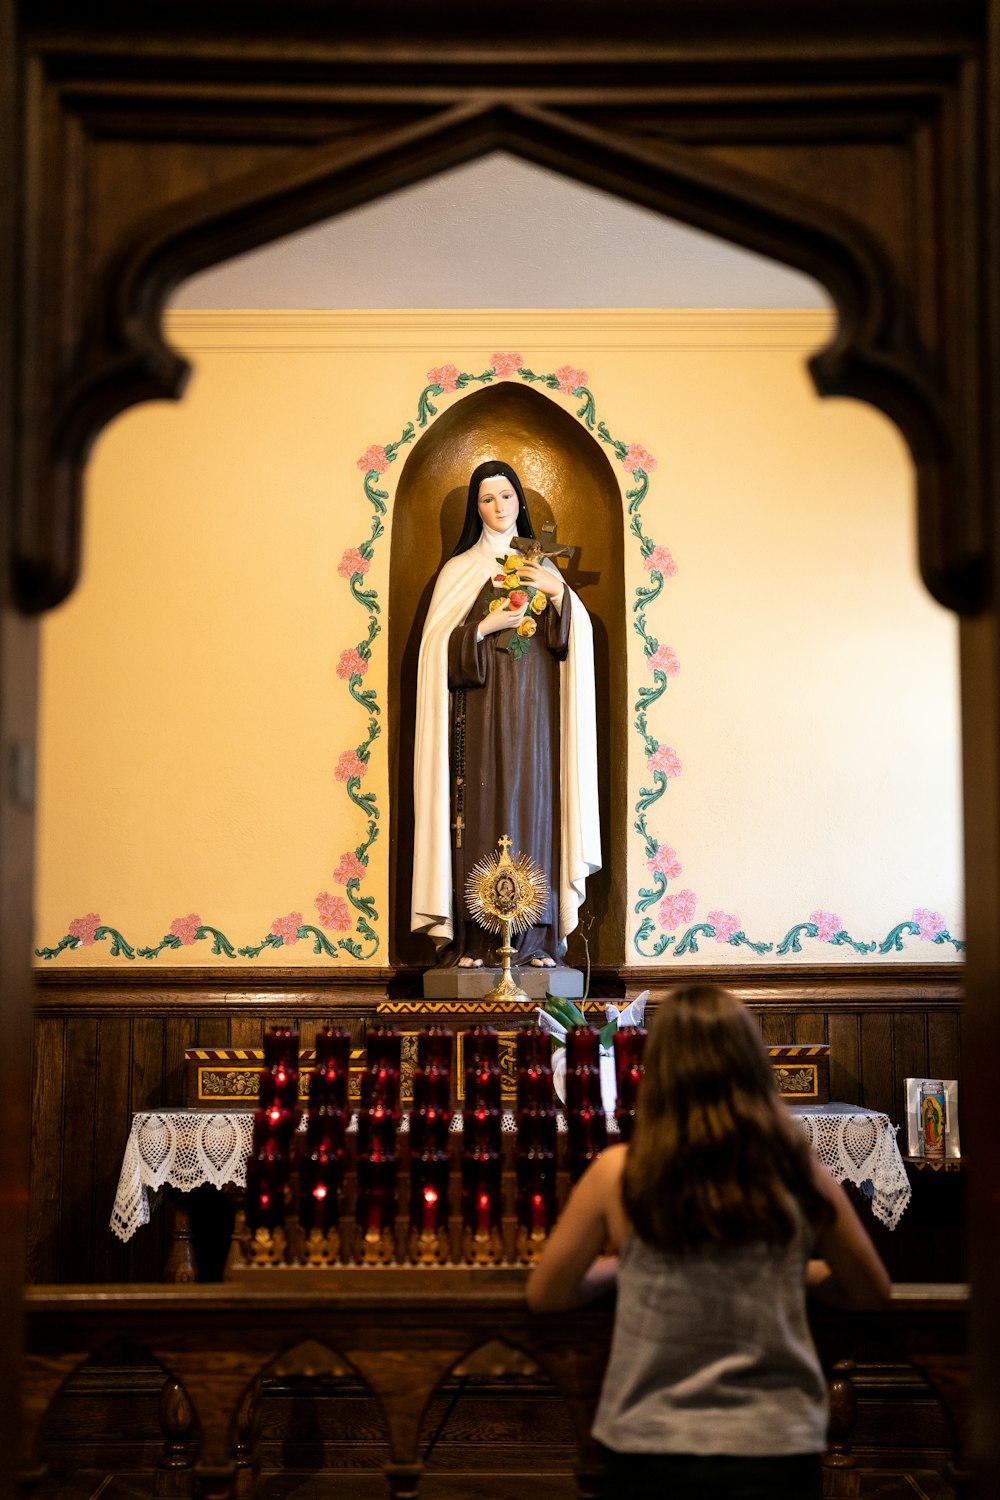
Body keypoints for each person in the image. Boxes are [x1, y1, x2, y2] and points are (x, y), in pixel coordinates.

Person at [526, 984, 891, 1500]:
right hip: (775, 1441)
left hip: (652, 1441)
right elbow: (870, 1292)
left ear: (660, 1067)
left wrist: (629, 1266)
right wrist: (786, 1269)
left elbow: (548, 1293)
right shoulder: (795, 1168)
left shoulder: (618, 1173)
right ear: (751, 1065)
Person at [411, 459, 601, 969]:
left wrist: (559, 593)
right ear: (477, 510)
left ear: (520, 502)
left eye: (507, 497)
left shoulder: (544, 568)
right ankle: (474, 943)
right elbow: (436, 652)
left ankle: (537, 943)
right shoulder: (459, 570)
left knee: (535, 809)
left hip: (536, 721)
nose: (499, 508)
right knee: (478, 812)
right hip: (475, 720)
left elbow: (571, 642)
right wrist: (482, 626)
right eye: (487, 500)